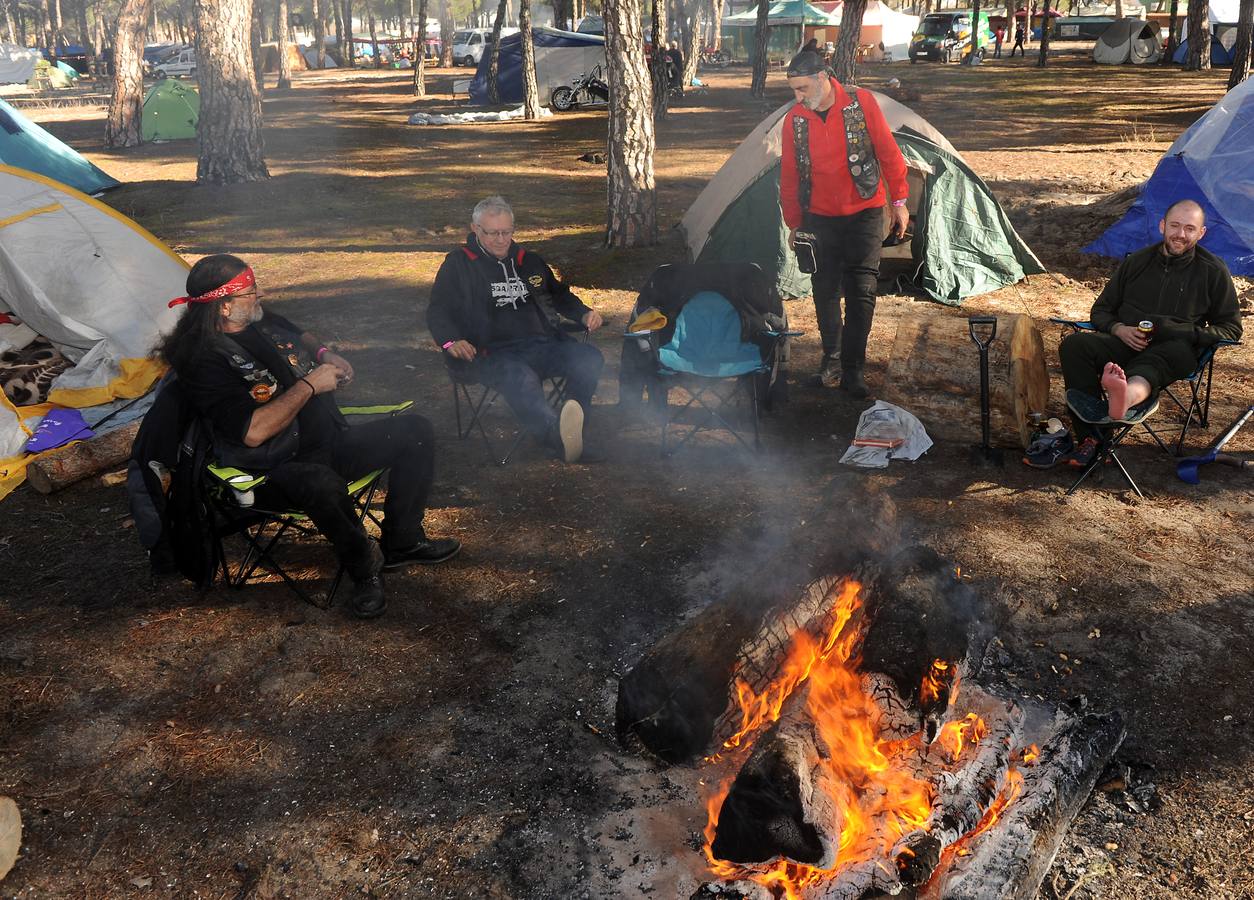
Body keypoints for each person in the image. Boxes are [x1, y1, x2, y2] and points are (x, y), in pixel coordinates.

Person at [158, 254, 460, 620]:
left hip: (326, 443)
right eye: (251, 291)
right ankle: (364, 569)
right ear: (223, 306)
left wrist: (323, 353)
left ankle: (403, 541)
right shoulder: (202, 359)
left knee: (416, 431)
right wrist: (309, 385)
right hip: (271, 469)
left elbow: (293, 330)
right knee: (320, 483)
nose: (260, 296)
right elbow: (253, 433)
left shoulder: (255, 319)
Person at [1055, 199, 1242, 467]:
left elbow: (1231, 328)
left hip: (1177, 348)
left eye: (1190, 228)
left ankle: (1123, 398)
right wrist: (1119, 329)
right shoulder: (1137, 262)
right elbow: (1101, 311)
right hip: (1127, 342)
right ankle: (1092, 439)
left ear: (1201, 233)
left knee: (1151, 365)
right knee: (1075, 346)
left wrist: (1186, 333)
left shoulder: (1212, 271)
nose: (1180, 234)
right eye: (1175, 225)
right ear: (1162, 225)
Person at [427, 196, 604, 463]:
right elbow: (438, 310)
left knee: (588, 358)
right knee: (519, 376)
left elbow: (558, 295)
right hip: (489, 353)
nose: (501, 240)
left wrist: (583, 312)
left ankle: (574, 427)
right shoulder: (458, 265)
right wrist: (451, 342)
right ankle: (555, 436)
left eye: (507, 232)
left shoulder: (528, 261)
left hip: (541, 345)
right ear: (475, 230)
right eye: (493, 233)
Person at [779, 49, 909, 399]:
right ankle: (831, 362)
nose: (798, 97)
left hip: (864, 210)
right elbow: (789, 176)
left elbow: (888, 152)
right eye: (794, 90)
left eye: (803, 88)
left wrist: (899, 201)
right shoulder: (796, 119)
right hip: (818, 217)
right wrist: (794, 222)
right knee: (824, 291)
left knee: (861, 291)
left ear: (823, 78)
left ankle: (853, 369)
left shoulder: (861, 103)